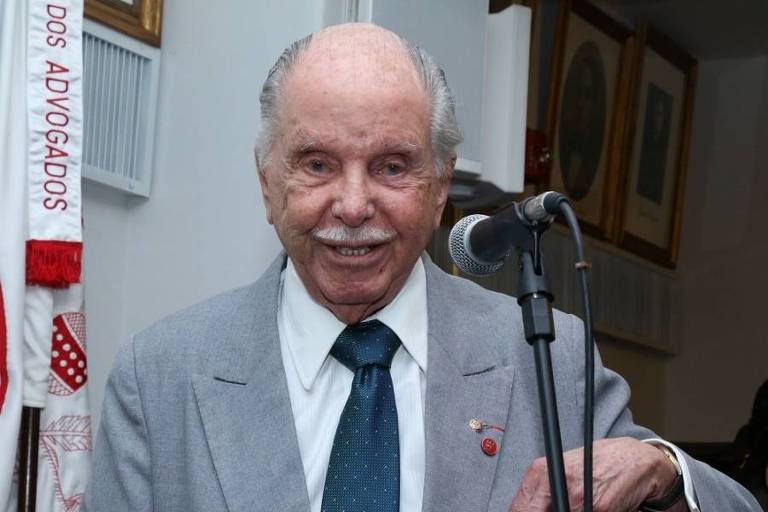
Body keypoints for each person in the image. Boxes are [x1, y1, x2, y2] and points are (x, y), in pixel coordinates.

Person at [83, 23, 761, 512]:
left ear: (440, 188)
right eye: (317, 163)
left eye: (392, 166)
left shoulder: (545, 356)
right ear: (268, 182)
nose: (352, 205)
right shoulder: (161, 375)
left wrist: (660, 472)